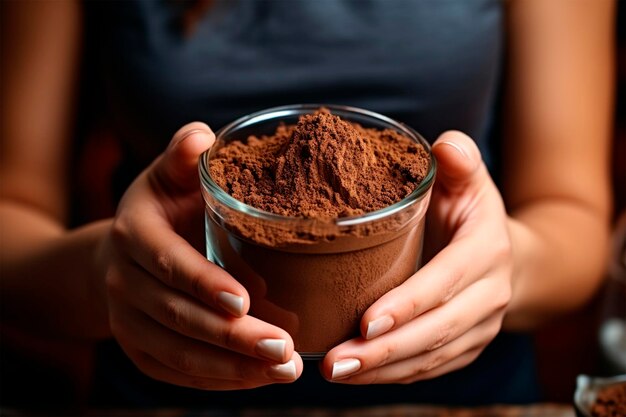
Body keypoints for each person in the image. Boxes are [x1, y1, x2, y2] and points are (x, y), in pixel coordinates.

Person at [0, 0, 616, 408]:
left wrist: (511, 266)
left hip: (459, 396)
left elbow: (570, 213)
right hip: (167, 390)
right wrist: (105, 274)